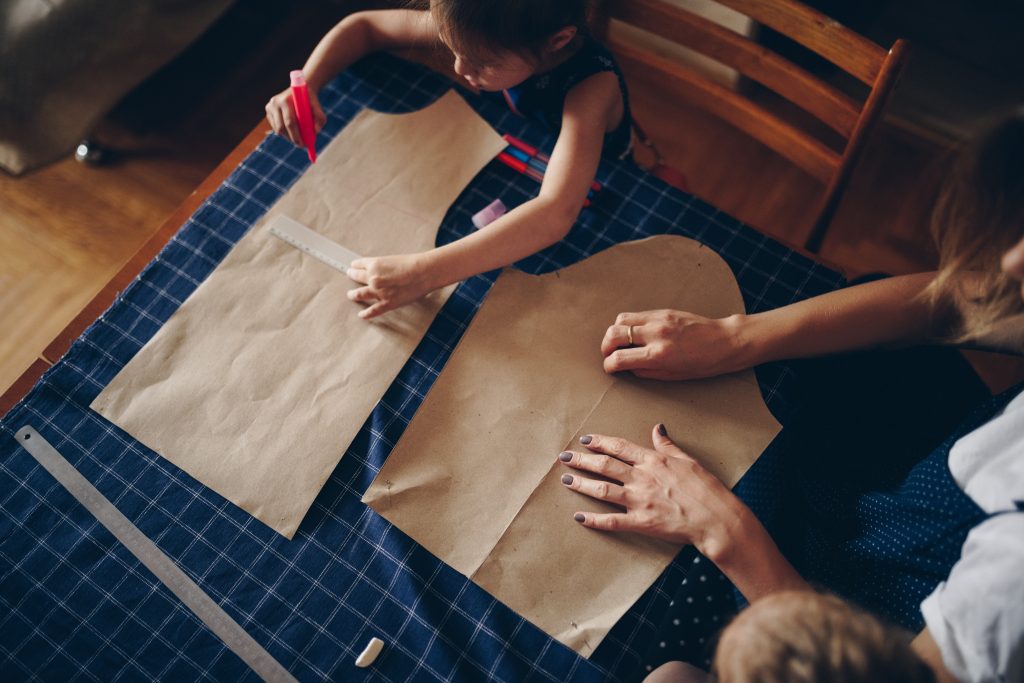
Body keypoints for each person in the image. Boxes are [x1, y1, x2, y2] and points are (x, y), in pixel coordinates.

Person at [559, 110, 1024, 682]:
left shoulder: (1012, 584)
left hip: (859, 633)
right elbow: (955, 302)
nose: (1013, 260)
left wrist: (723, 530)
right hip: (901, 501)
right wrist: (733, 338)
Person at [264, 0, 631, 319]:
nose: (459, 69)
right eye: (453, 49)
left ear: (559, 41)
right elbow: (363, 27)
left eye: (481, 63)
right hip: (516, 129)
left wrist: (424, 273)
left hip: (610, 167)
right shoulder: (476, 23)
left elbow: (554, 213)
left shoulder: (593, 85)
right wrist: (307, 83)